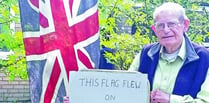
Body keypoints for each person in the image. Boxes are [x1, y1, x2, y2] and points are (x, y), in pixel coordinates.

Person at [129, 2, 209, 103]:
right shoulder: (145, 54)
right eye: (160, 25)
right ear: (154, 29)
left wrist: (171, 100)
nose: (166, 30)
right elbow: (127, 88)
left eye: (172, 24)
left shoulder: (204, 59)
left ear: (185, 25)